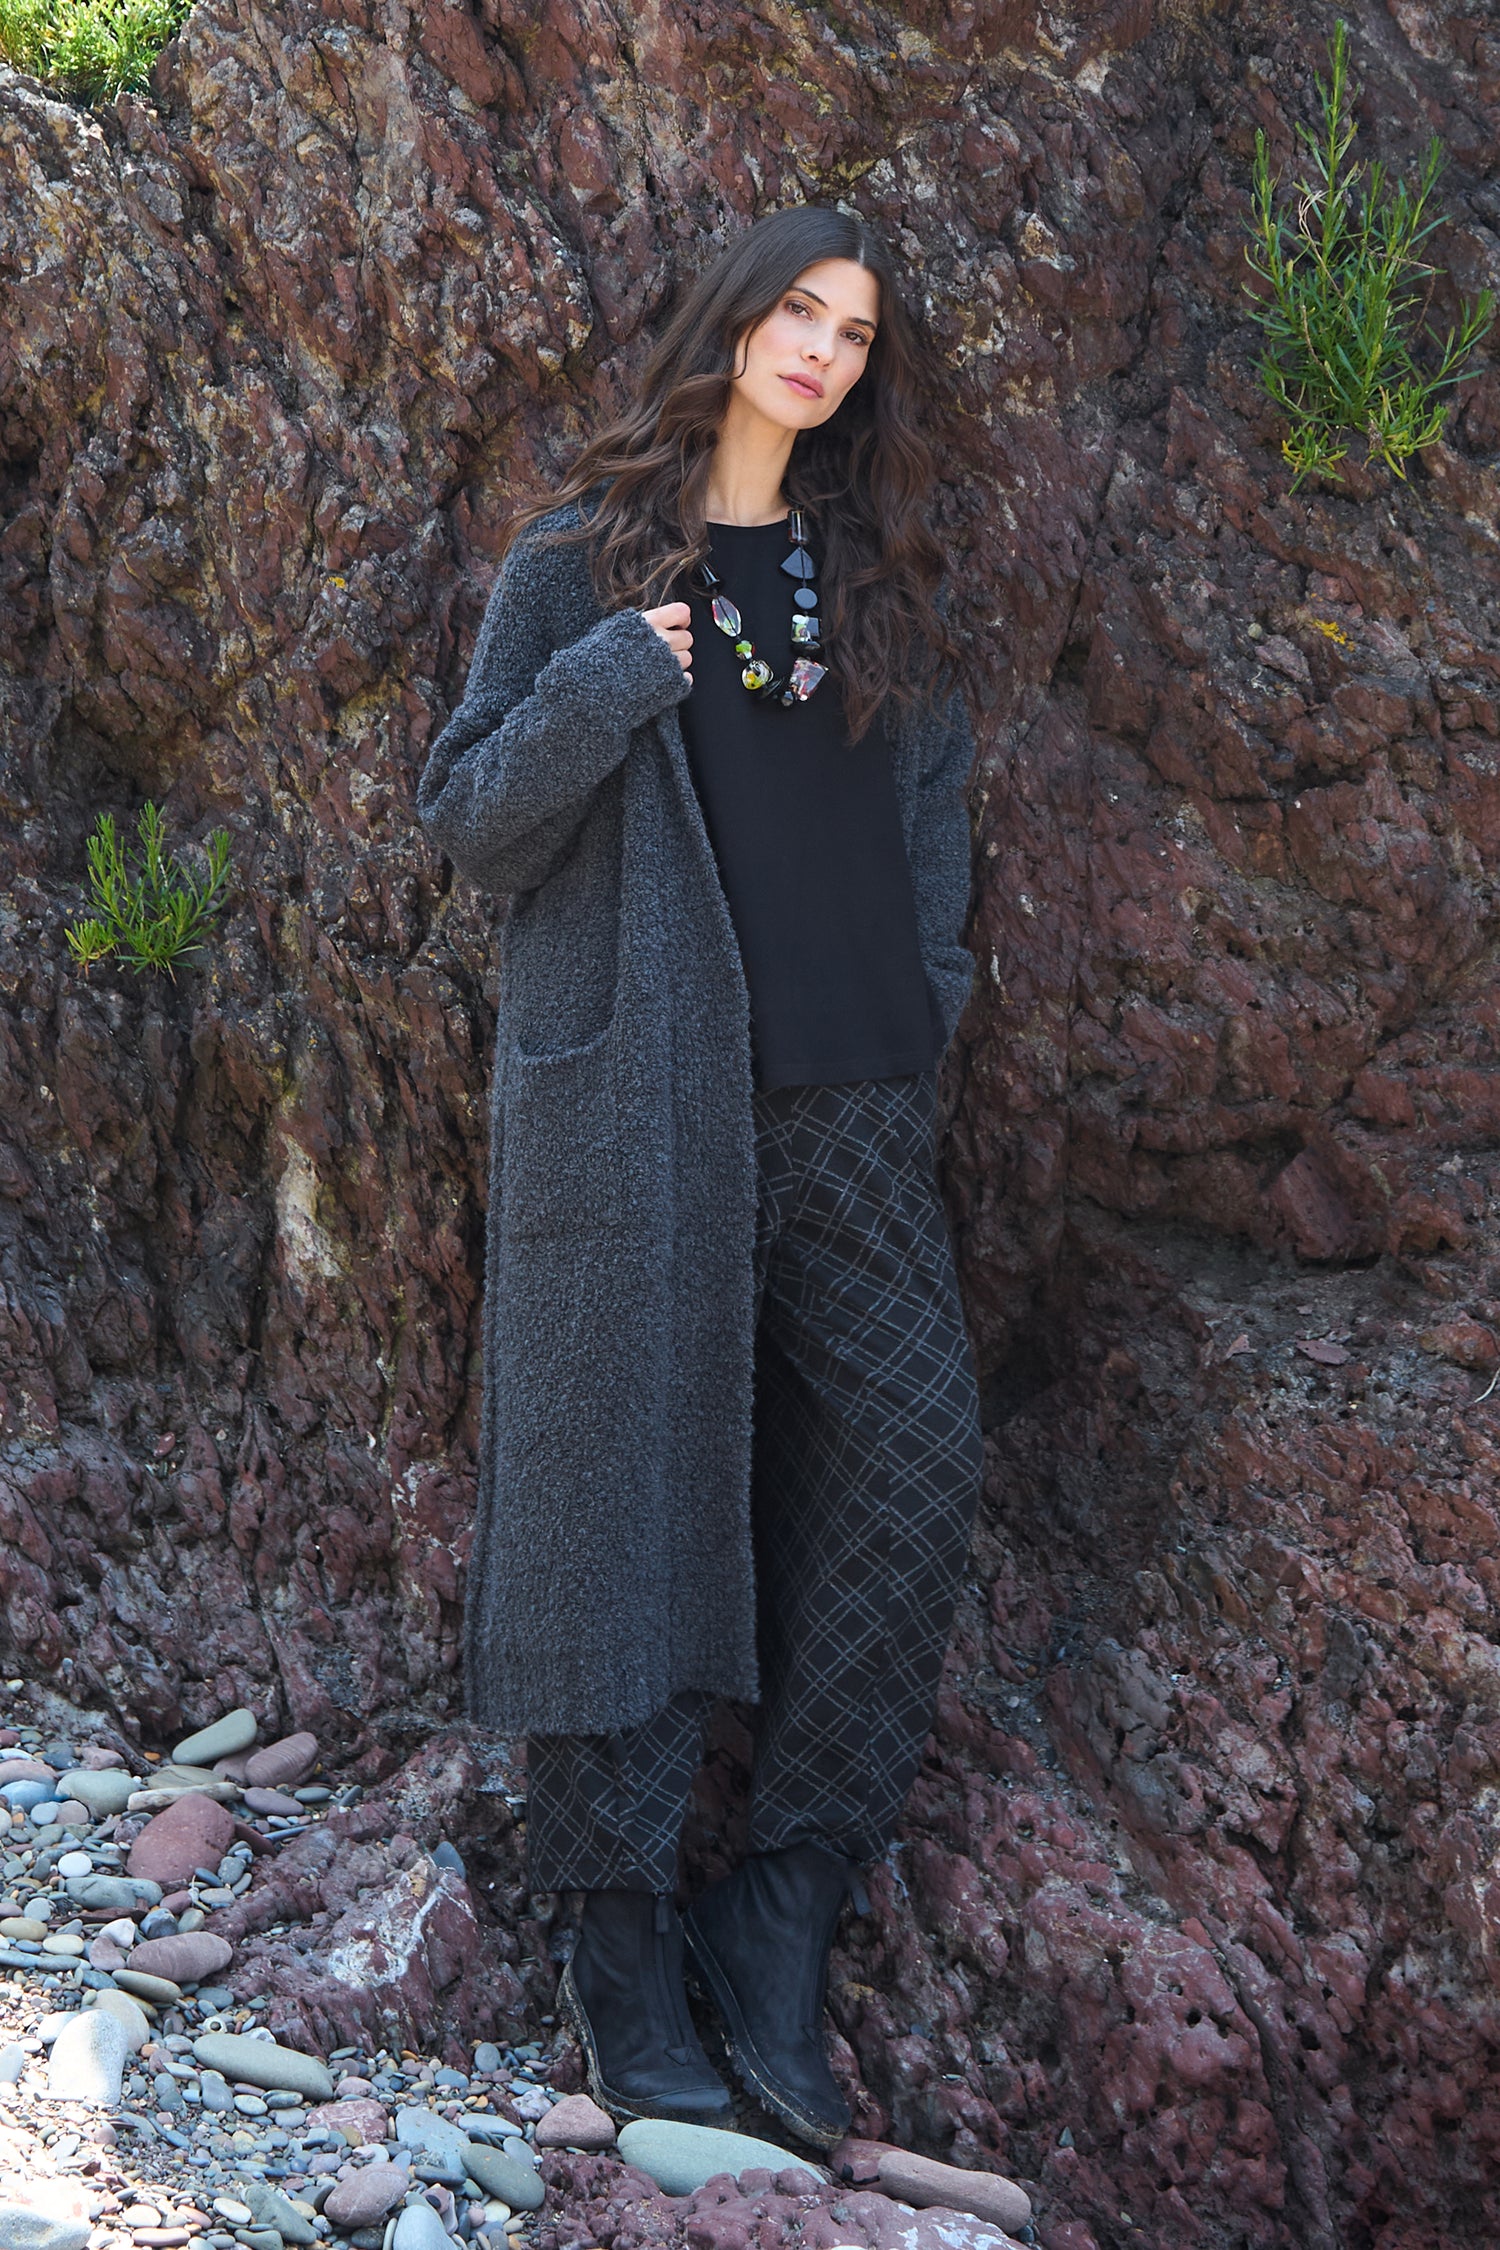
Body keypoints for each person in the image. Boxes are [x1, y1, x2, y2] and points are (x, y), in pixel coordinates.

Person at [415, 204, 984, 2152]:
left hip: (853, 1109)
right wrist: (607, 683)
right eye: (799, 312)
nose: (825, 348)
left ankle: (783, 1907)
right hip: (644, 1107)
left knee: (920, 1467)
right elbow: (471, 823)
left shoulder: (878, 582)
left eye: (857, 330)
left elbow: (932, 835)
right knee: (629, 1496)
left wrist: (929, 1003)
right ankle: (616, 1942)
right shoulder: (577, 571)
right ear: (733, 325)